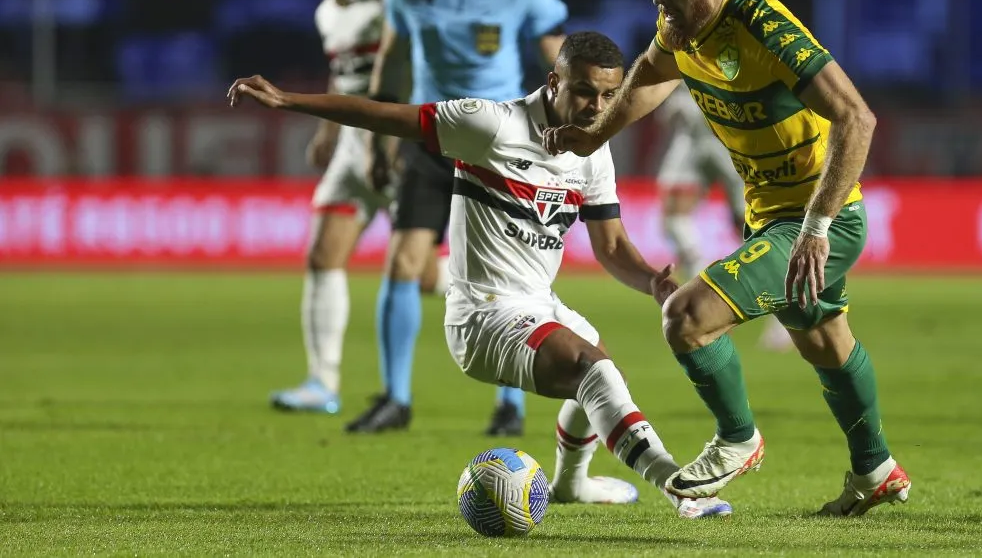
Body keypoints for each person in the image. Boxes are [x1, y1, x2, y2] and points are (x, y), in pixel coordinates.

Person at [228, 31, 733, 520]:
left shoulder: (592, 151)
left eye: (608, 95)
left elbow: (613, 244)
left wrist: (651, 281)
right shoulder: (491, 125)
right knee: (593, 372)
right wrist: (288, 101)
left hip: (538, 302)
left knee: (603, 371)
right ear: (554, 82)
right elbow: (384, 116)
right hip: (483, 315)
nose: (597, 107)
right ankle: (677, 486)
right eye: (583, 91)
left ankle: (571, 484)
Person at [542, 0, 911, 516]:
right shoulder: (680, 30)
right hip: (770, 219)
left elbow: (857, 118)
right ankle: (876, 469)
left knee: (686, 316)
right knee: (824, 340)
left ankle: (738, 438)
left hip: (819, 221)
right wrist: (590, 136)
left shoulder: (761, 23)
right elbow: (648, 79)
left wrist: (816, 226)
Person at [352, 0, 570, 435]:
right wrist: (378, 143)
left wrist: (570, 121)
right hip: (430, 142)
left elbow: (560, 63)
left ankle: (510, 407)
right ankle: (396, 399)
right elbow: (392, 65)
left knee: (505, 277)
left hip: (497, 147)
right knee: (403, 262)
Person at [269, 0, 449, 415]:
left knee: (424, 276)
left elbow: (410, 68)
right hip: (352, 145)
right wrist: (327, 131)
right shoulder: (328, 10)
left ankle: (502, 295)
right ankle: (322, 383)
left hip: (395, 140)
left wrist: (394, 139)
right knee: (323, 254)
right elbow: (342, 75)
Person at [656, 84, 792, 351]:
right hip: (692, 139)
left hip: (730, 136)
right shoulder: (675, 48)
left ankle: (785, 311)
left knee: (753, 229)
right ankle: (703, 295)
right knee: (673, 217)